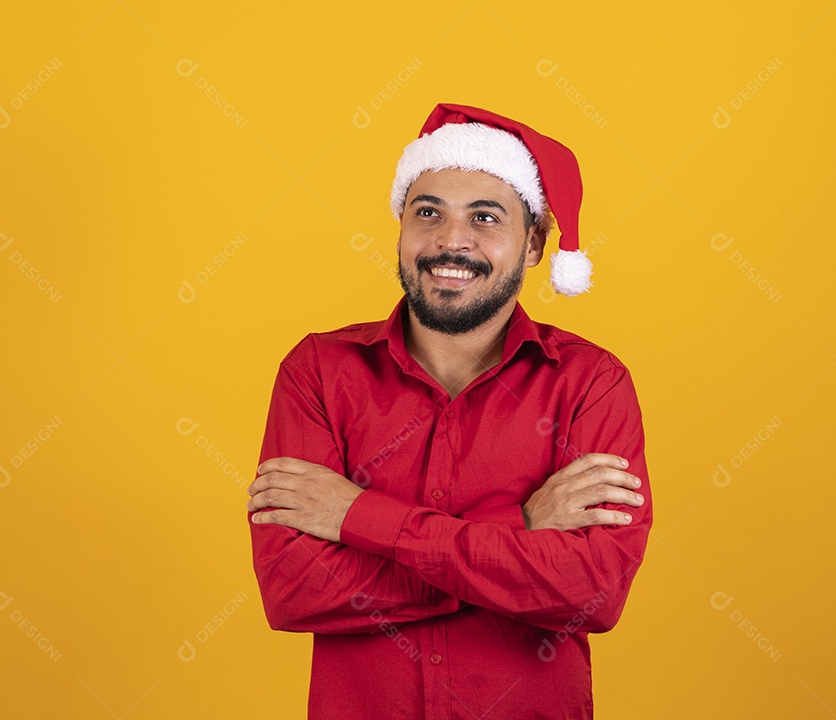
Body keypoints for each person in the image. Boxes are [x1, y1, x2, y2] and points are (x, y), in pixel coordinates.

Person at [246, 102, 652, 720]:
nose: (450, 240)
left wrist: (359, 518)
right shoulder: (319, 373)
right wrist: (518, 530)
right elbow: (295, 592)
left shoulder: (590, 383)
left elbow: (590, 594)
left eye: (485, 217)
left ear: (536, 243)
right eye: (427, 212)